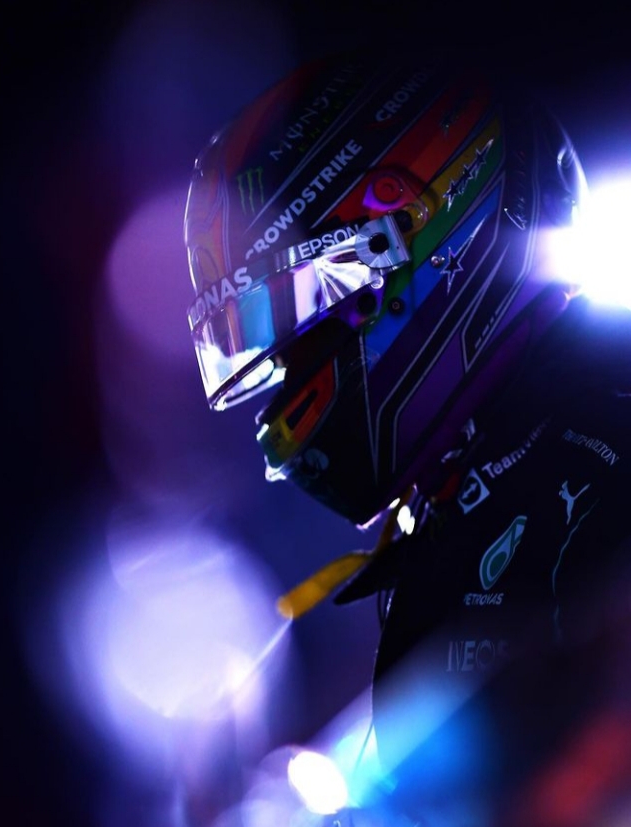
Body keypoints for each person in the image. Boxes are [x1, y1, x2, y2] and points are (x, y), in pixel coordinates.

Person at [182, 47, 631, 826]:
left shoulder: (603, 434)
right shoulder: (464, 496)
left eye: (293, 315)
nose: (282, 374)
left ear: (411, 243)